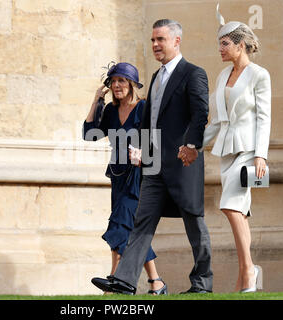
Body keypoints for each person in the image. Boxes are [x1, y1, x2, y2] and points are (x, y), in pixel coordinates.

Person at [91, 19, 213, 295]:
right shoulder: (157, 77)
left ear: (176, 41)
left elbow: (200, 114)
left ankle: (202, 283)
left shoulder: (194, 73)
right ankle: (124, 280)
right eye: (153, 40)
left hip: (183, 163)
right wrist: (142, 152)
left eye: (161, 39)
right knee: (141, 221)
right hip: (153, 167)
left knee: (194, 222)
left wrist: (192, 144)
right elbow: (148, 122)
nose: (156, 45)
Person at [181, 5, 271, 293]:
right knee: (239, 212)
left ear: (240, 44)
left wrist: (261, 154)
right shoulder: (221, 77)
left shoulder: (259, 75)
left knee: (230, 206)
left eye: (225, 43)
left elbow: (263, 117)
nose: (220, 49)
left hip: (248, 151)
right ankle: (247, 275)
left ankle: (248, 271)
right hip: (226, 152)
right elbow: (218, 122)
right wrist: (194, 145)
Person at [82, 62, 166, 295]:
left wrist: (143, 155)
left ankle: (114, 283)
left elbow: (158, 142)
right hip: (118, 176)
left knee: (119, 226)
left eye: (122, 80)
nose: (117, 85)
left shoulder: (143, 108)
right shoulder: (109, 110)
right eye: (113, 81)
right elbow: (89, 134)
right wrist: (97, 100)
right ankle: (156, 282)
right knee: (130, 229)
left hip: (139, 177)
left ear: (131, 84)